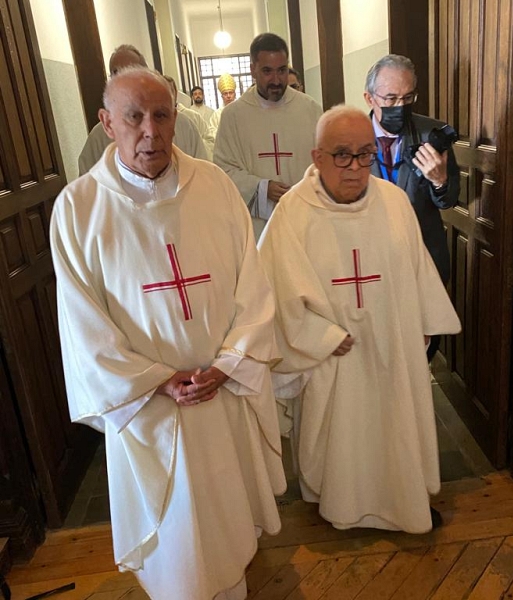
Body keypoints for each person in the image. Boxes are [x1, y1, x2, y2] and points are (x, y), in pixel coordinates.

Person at [51, 67, 285, 600]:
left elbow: (252, 284)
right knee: (177, 541)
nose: (150, 131)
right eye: (134, 117)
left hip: (219, 392)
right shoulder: (78, 208)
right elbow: (82, 324)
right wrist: (157, 381)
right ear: (107, 123)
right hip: (149, 410)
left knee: (225, 517)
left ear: (177, 117)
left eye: (161, 115)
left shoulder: (217, 187)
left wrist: (229, 364)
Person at [259, 106, 461, 534]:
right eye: (342, 155)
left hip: (392, 345)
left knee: (396, 423)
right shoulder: (292, 215)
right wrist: (319, 335)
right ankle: (343, 505)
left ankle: (403, 502)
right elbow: (270, 292)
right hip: (333, 356)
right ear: (316, 157)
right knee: (345, 436)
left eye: (365, 154)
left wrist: (422, 319)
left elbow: (417, 267)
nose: (355, 167)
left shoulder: (392, 202)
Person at [364, 54, 460, 360]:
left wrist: (439, 180)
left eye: (407, 98)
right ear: (369, 97)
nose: (399, 106)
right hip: (370, 267)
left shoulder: (433, 134)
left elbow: (448, 200)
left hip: (424, 261)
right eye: (390, 98)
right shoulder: (352, 137)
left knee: (421, 355)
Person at [213, 33, 322, 238]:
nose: (276, 80)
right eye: (267, 71)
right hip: (257, 227)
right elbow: (223, 170)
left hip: (304, 219)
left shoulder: (311, 110)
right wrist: (262, 189)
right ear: (253, 68)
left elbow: (324, 163)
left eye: (281, 71)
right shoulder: (233, 116)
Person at [78, 45, 207, 175]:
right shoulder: (98, 137)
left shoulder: (183, 125)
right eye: (118, 73)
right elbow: (88, 186)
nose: (128, 81)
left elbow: (203, 175)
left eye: (134, 73)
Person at [165, 76, 214, 159]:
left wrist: (195, 144)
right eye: (164, 91)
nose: (167, 95)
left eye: (170, 91)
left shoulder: (192, 116)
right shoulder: (154, 121)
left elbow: (210, 141)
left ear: (176, 93)